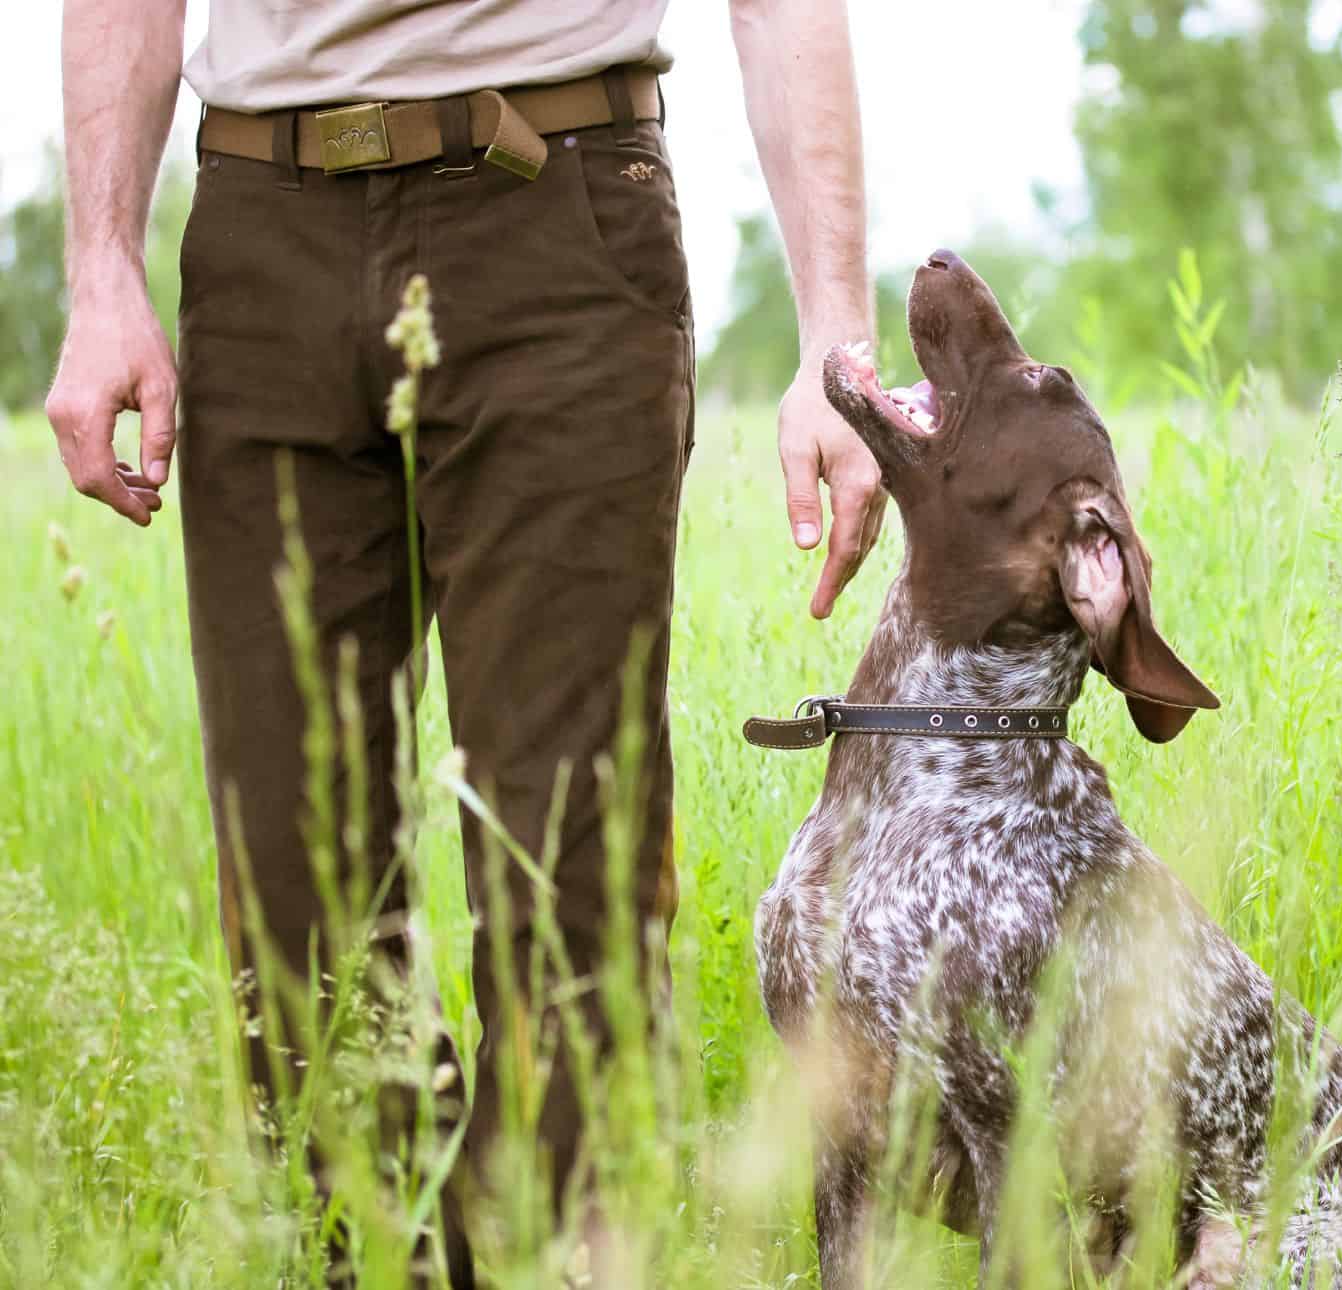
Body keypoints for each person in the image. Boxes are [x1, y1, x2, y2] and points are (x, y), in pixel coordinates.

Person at [48, 0, 883, 1282]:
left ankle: (554, 1259)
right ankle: (375, 1260)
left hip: (556, 219)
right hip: (265, 232)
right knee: (292, 876)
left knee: (571, 873)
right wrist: (101, 267)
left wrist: (835, 324)